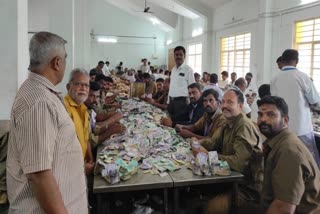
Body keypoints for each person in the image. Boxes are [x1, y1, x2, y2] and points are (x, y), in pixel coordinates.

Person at [7, 31, 87, 213]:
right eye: (65, 59)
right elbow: (39, 175)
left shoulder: (42, 94)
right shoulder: (39, 101)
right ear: (57, 63)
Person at [192, 89, 261, 213]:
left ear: (240, 106)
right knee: (192, 192)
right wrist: (197, 142)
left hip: (245, 187)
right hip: (229, 179)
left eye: (230, 102)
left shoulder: (243, 125)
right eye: (223, 102)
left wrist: (208, 155)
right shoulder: (227, 122)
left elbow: (239, 164)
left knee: (210, 208)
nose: (224, 106)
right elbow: (213, 142)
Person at [257, 96, 320, 213]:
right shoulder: (277, 143)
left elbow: (283, 209)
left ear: (285, 120)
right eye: (260, 114)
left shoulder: (289, 151)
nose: (263, 119)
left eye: (271, 114)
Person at [270, 49, 320, 166]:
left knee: (285, 160)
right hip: (301, 128)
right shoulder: (302, 77)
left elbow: (274, 101)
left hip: (282, 128)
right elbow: (314, 100)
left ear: (282, 60)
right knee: (309, 161)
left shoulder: (275, 78)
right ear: (297, 61)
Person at [64, 68, 94, 175]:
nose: (83, 89)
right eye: (79, 84)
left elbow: (86, 139)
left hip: (83, 165)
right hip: (68, 170)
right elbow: (61, 149)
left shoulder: (83, 109)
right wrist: (80, 166)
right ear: (68, 87)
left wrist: (91, 159)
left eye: (86, 85)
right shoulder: (63, 109)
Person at [84, 82, 124, 150]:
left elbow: (93, 127)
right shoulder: (81, 112)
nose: (96, 101)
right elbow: (91, 142)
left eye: (97, 97)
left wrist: (108, 126)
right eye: (91, 96)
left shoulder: (89, 109)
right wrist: (109, 130)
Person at [168, 46, 195, 122]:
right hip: (171, 102)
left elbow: (192, 88)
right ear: (174, 56)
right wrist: (168, 101)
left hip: (182, 103)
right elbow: (171, 86)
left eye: (181, 55)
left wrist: (191, 105)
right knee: (169, 124)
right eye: (176, 55)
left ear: (184, 56)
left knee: (179, 124)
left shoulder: (188, 70)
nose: (178, 57)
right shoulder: (173, 69)